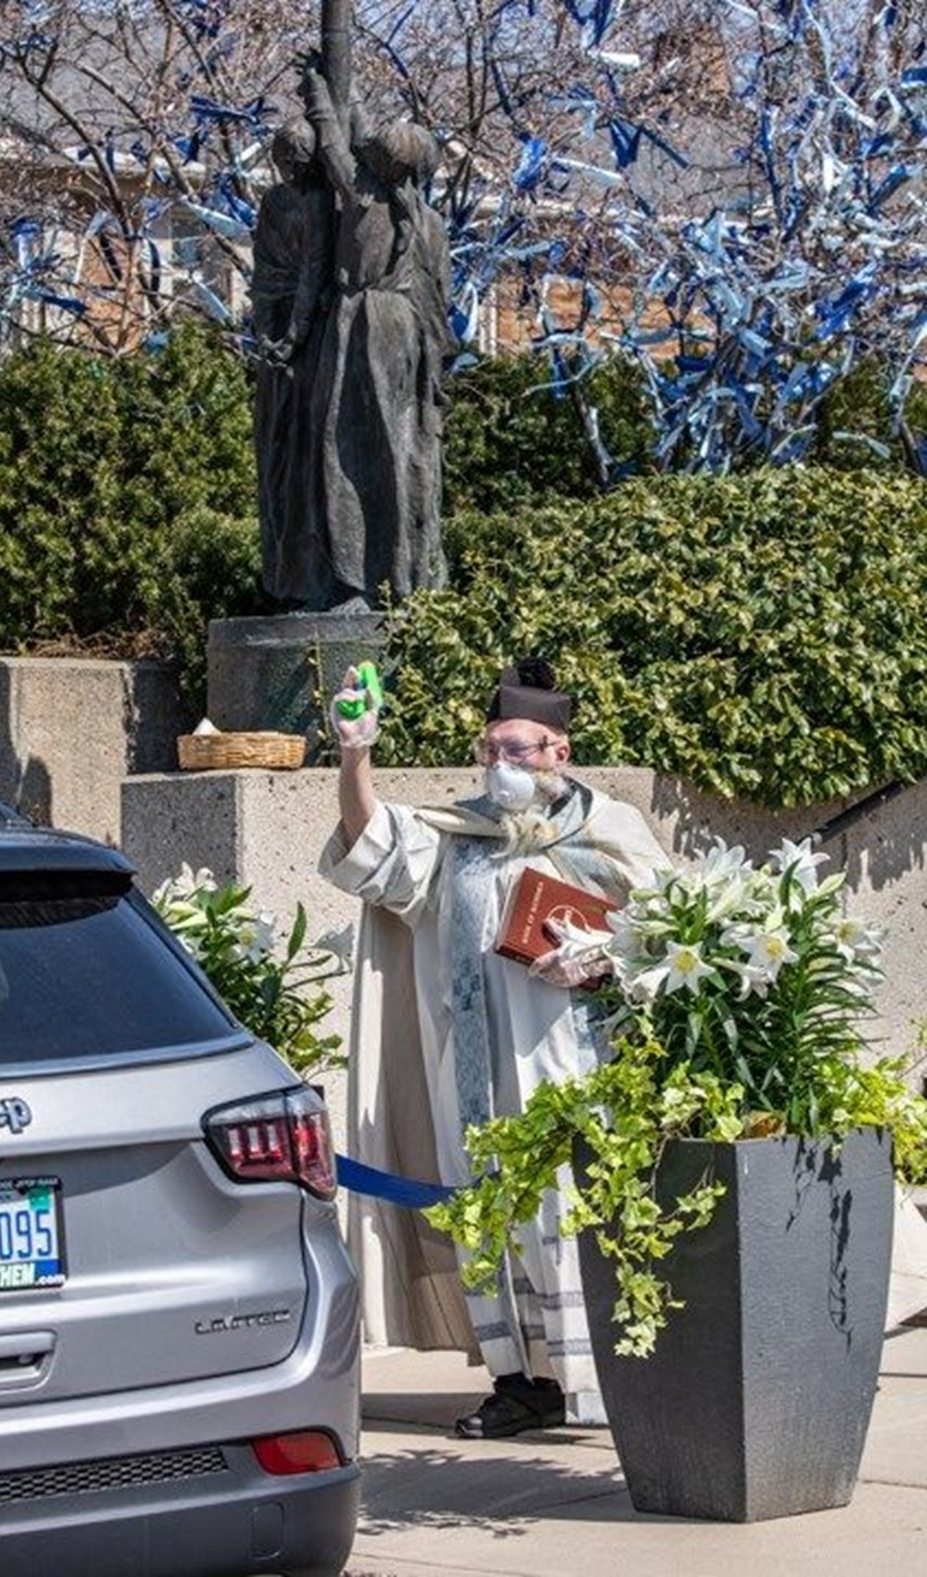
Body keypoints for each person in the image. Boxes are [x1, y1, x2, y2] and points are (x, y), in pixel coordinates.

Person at [319, 656, 670, 1437]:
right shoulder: (459, 836)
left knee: (572, 1215)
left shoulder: (608, 830)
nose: (503, 763)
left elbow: (675, 926)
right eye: (492, 749)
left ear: (559, 753)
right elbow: (369, 843)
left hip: (574, 1062)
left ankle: (606, 1378)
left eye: (521, 749)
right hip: (472, 1068)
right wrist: (355, 753)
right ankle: (524, 1382)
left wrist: (607, 958)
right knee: (489, 1210)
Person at [301, 64, 452, 609]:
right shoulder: (429, 221)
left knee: (344, 456)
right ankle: (404, 577)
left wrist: (320, 91)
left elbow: (336, 144)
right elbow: (359, 139)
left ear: (381, 167)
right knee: (399, 455)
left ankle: (358, 583)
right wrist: (349, 90)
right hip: (404, 335)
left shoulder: (363, 199)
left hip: (364, 329)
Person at [251, 117, 334, 608]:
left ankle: (310, 577)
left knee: (308, 460)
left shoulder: (319, 202)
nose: (291, 169)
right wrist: (266, 333)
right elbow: (265, 273)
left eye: (299, 160)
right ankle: (281, 575)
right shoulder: (274, 203)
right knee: (276, 457)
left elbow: (315, 270)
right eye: (285, 160)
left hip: (309, 342)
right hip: (276, 342)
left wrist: (296, 335)